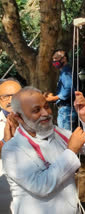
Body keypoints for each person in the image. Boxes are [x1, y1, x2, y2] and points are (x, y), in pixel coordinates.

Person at [1, 86, 85, 214]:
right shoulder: (12, 149)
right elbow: (42, 186)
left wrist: (84, 117)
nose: (45, 113)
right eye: (36, 110)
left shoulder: (58, 133)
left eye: (46, 106)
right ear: (19, 118)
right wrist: (71, 151)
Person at [0, 79, 21, 214]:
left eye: (15, 95)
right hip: (4, 195)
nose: (10, 99)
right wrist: (6, 142)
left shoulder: (39, 119)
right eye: (5, 96)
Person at [46, 49, 77, 131]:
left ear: (64, 59)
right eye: (53, 59)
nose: (54, 60)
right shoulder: (65, 72)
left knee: (66, 138)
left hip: (66, 110)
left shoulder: (66, 72)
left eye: (56, 58)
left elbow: (69, 89)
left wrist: (54, 98)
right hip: (68, 109)